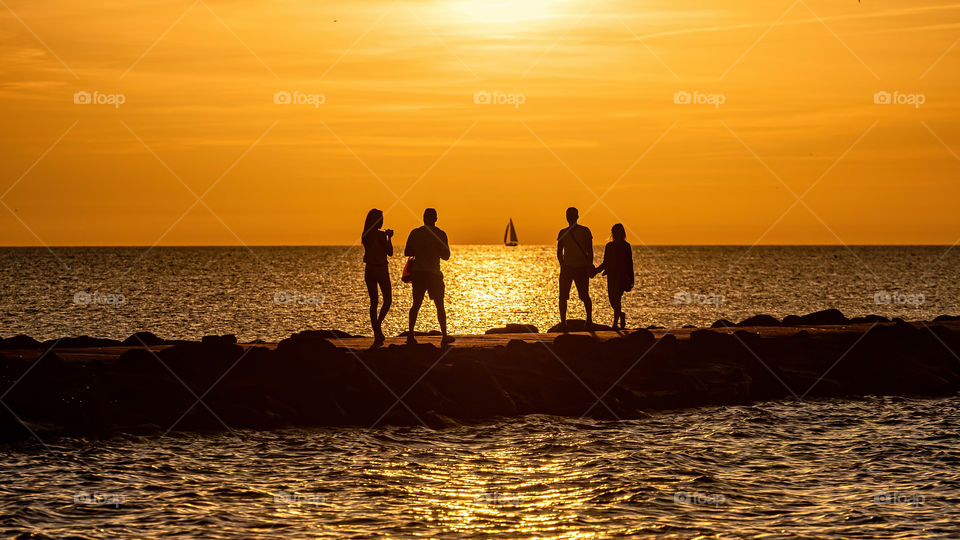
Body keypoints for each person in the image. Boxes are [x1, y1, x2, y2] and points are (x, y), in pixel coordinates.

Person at [404, 208, 454, 345]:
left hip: (418, 273)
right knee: (440, 306)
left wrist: (420, 249)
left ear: (423, 218)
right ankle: (444, 336)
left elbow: (407, 251)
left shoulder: (415, 233)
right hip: (434, 274)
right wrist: (435, 249)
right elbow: (446, 256)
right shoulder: (441, 234)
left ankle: (410, 334)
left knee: (416, 304)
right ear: (436, 219)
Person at [557, 207, 594, 330]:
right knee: (563, 297)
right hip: (567, 269)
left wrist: (589, 265)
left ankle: (589, 320)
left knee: (584, 295)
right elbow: (559, 251)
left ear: (577, 217)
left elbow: (590, 250)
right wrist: (563, 265)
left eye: (572, 216)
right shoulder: (562, 232)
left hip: (581, 269)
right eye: (568, 215)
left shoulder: (585, 231)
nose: (570, 218)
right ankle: (563, 323)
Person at [594, 223, 634, 330]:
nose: (616, 234)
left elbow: (630, 263)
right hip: (611, 276)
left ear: (622, 233)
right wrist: (596, 271)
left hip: (622, 276)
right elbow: (605, 262)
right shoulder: (609, 246)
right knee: (612, 300)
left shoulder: (626, 246)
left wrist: (631, 278)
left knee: (617, 298)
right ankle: (621, 315)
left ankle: (615, 323)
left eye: (618, 231)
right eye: (614, 231)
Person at [362, 209, 393, 343]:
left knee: (374, 302)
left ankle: (376, 332)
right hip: (380, 269)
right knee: (387, 300)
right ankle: (378, 325)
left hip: (369, 269)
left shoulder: (365, 235)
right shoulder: (380, 236)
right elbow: (390, 252)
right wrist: (389, 237)